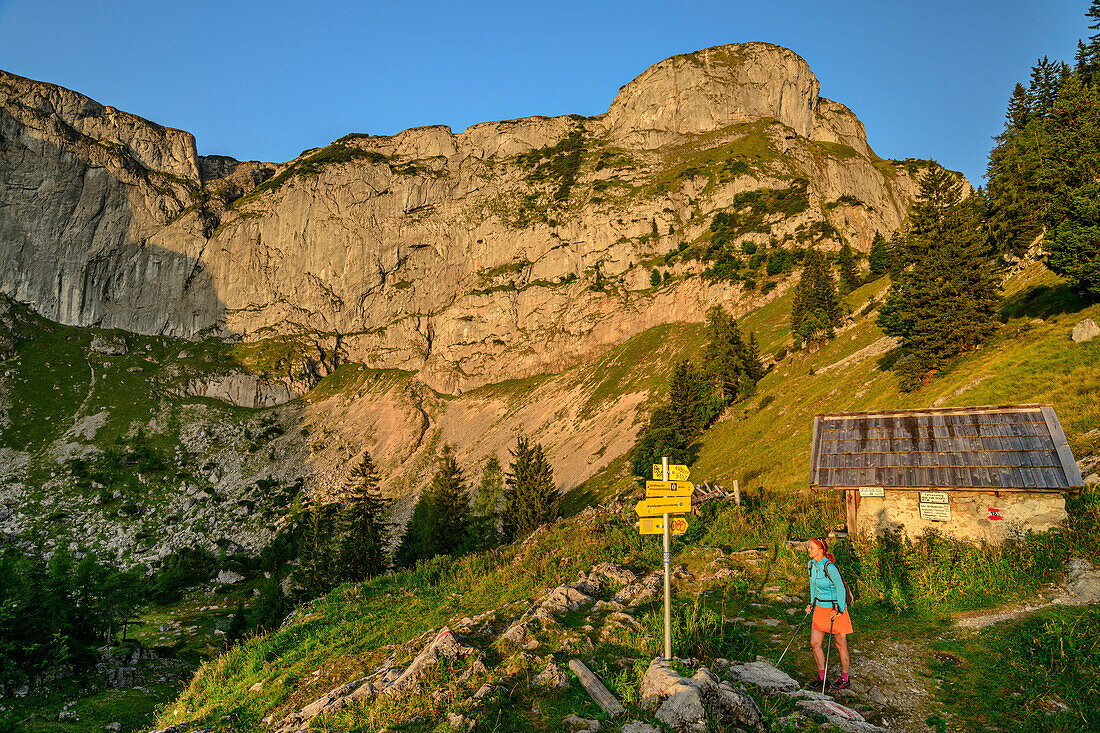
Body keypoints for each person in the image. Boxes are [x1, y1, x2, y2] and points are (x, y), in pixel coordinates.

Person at [803, 536, 853, 690]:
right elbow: (812, 585)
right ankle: (822, 678)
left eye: (812, 547)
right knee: (815, 643)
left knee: (840, 644)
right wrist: (811, 603)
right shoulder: (811, 565)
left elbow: (840, 588)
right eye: (809, 547)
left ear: (821, 550)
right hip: (819, 608)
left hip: (835, 609)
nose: (809, 549)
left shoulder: (829, 567)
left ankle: (845, 678)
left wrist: (840, 609)